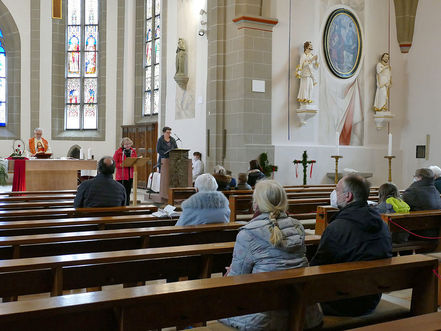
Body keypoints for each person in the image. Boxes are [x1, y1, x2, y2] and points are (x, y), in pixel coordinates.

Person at [219, 180, 322, 330]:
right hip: (305, 314)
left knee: (213, 303)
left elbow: (236, 281)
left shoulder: (248, 233)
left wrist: (230, 273)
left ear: (257, 203)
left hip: (265, 319)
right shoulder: (297, 226)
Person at [311, 175, 392, 317]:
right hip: (372, 298)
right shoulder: (382, 224)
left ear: (348, 196)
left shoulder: (337, 227)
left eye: (336, 191)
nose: (334, 194)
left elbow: (317, 267)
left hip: (341, 301)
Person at [402, 168, 441, 239]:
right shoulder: (435, 191)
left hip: (419, 233)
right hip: (435, 232)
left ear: (420, 178)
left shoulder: (412, 191)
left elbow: (402, 206)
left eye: (415, 176)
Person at [113, 137, 137, 206]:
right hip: (121, 176)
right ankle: (119, 205)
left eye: (129, 144)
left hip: (130, 175)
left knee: (128, 192)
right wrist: (122, 164)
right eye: (126, 144)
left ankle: (127, 206)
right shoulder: (118, 152)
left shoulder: (133, 151)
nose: (128, 146)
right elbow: (114, 163)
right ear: (123, 144)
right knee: (120, 192)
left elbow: (135, 161)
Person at [296, 41, 319, 107]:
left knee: (310, 88)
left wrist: (316, 60)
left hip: (311, 75)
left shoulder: (311, 55)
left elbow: (316, 67)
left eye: (311, 46)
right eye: (310, 46)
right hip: (305, 75)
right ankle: (304, 102)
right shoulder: (303, 56)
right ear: (306, 47)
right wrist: (311, 60)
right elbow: (302, 65)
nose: (311, 47)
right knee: (305, 88)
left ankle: (308, 101)